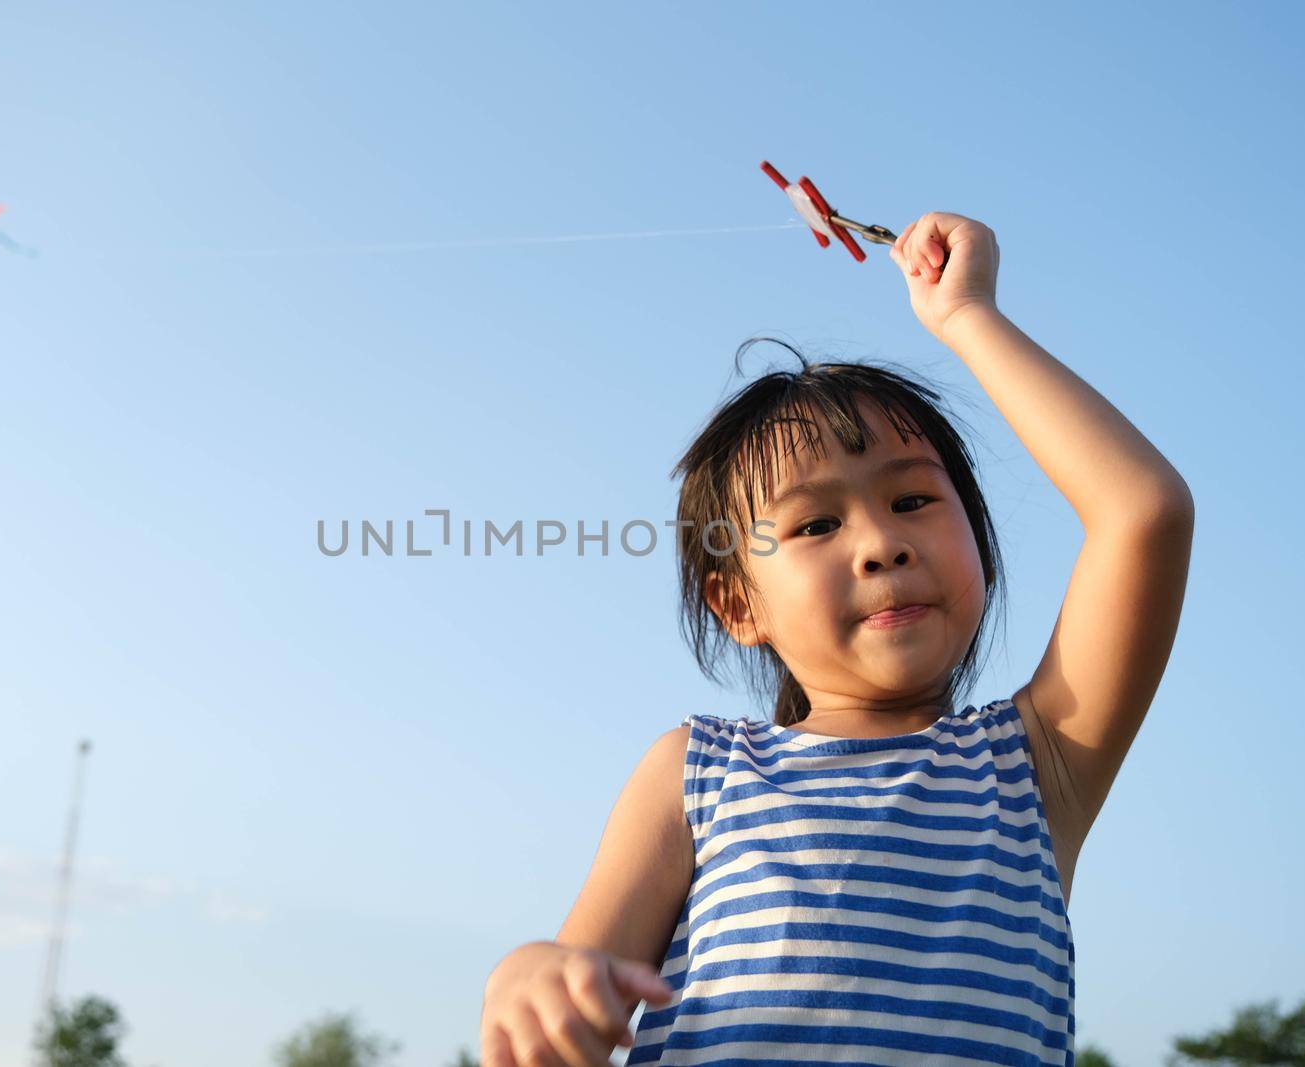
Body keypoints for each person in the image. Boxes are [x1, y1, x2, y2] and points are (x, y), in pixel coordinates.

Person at [478, 212, 1195, 1066]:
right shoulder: (696, 772)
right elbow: (579, 974)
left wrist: (966, 316)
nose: (880, 544)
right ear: (736, 605)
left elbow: (1142, 511)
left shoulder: (1036, 763)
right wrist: (529, 977)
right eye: (815, 522)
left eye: (914, 501)